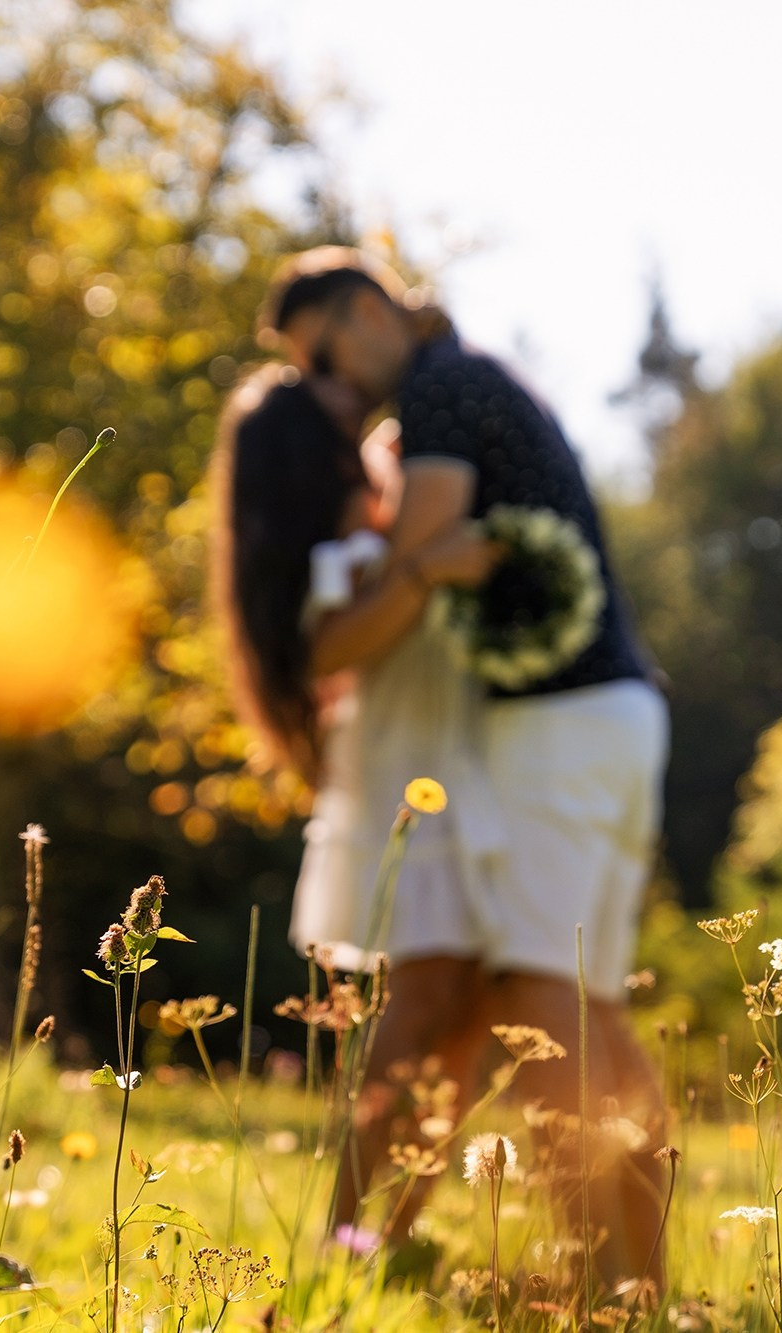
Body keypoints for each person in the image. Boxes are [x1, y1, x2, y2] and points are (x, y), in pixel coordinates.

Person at [259, 248, 672, 1294]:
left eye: (321, 355)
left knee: (542, 996)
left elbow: (428, 536)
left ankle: (594, 1287)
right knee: (585, 1002)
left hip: (555, 723)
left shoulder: (441, 384)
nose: (330, 387)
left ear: (362, 313)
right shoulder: (470, 385)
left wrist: (392, 557)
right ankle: (635, 1280)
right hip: (608, 715)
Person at [208, 362, 502, 1251]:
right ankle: (345, 1230)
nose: (357, 403)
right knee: (423, 1001)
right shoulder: (334, 546)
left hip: (451, 756)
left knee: (465, 1008)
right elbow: (337, 647)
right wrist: (423, 568)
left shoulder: (377, 494)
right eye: (334, 405)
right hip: (407, 766)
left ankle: (394, 1228)